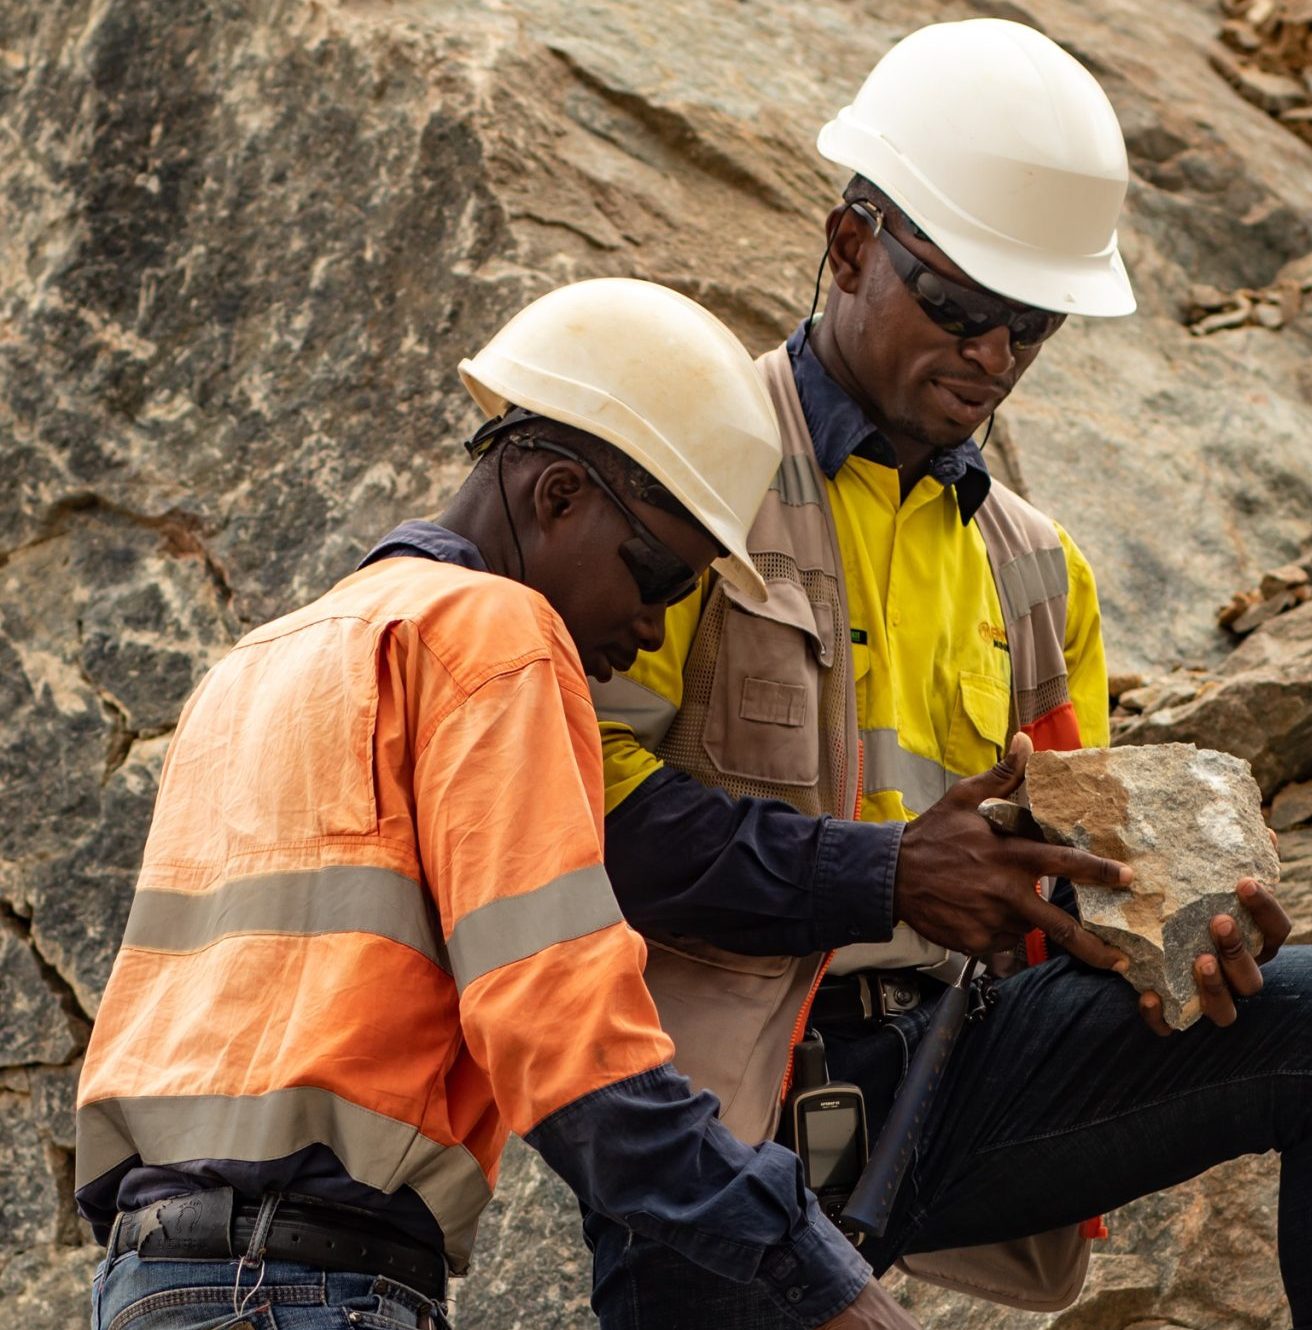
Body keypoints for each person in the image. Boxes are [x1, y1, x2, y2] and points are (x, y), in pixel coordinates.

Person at [590, 19, 1312, 1330]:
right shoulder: (691, 475)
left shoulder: (1035, 570)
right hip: (707, 1109)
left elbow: (1072, 864)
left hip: (949, 1076)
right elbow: (569, 815)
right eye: (956, 307)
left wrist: (1173, 931)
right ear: (847, 248)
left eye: (1030, 327)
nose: (991, 358)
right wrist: (883, 872)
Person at [75, 279, 923, 1329]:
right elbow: (571, 1048)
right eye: (655, 575)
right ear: (559, 494)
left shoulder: (257, 663)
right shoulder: (494, 636)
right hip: (308, 1284)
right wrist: (814, 1270)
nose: (657, 629)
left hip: (154, 1282)